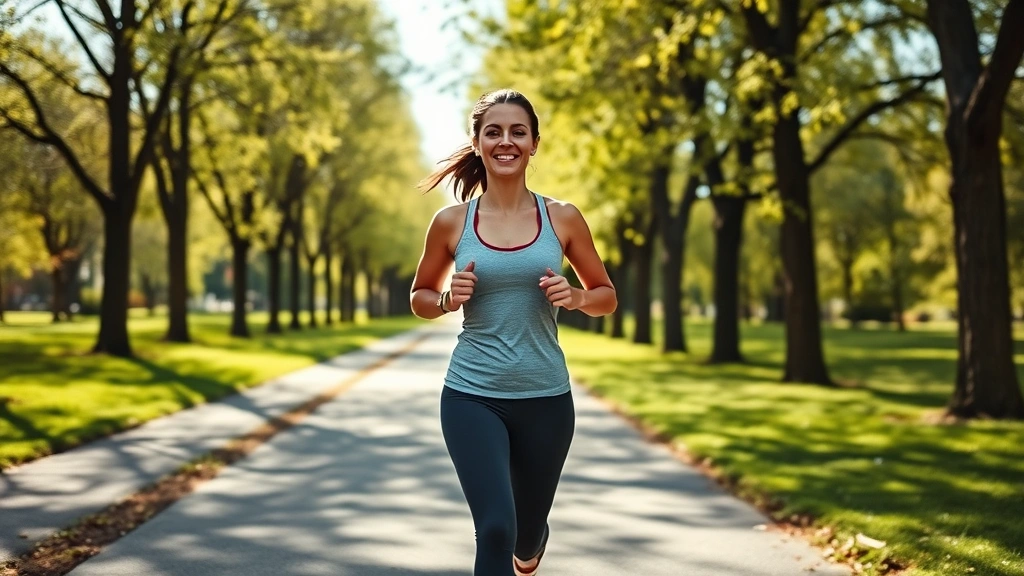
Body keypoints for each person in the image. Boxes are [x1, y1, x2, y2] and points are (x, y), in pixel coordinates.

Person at [409, 88, 617, 576]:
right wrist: (445, 301)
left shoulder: (561, 217)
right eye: (494, 132)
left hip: (546, 397)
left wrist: (579, 297)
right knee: (496, 528)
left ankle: (533, 541)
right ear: (478, 142)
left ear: (534, 143)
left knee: (523, 537)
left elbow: (606, 293)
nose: (506, 141)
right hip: (471, 395)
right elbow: (419, 296)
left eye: (517, 132)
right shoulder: (450, 223)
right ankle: (516, 538)